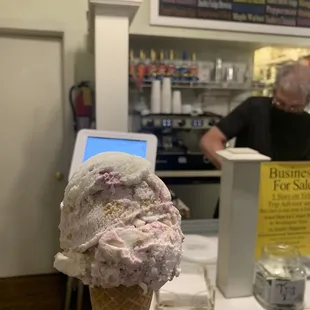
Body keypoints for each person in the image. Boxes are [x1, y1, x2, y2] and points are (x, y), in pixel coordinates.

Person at [200, 63, 310, 218]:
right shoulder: (254, 108)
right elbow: (210, 140)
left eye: (294, 108)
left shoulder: (307, 123)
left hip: (283, 211)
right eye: (280, 103)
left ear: (306, 103)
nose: (286, 111)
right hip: (241, 202)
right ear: (274, 90)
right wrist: (236, 172)